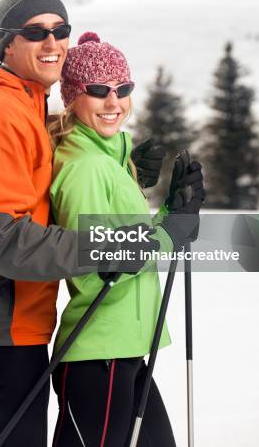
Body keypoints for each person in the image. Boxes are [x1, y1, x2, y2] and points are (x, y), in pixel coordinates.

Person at [0, 0, 165, 447]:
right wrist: (112, 246)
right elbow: (6, 241)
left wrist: (127, 167)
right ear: (7, 44)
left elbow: (54, 172)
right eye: (35, 33)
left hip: (13, 325)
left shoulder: (25, 103)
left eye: (61, 31)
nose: (53, 42)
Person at [48, 32, 205, 446]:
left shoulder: (110, 158)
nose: (114, 102)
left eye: (123, 89)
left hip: (125, 351)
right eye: (98, 91)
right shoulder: (84, 168)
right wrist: (171, 233)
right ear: (71, 96)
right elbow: (100, 261)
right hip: (97, 353)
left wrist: (176, 210)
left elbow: (129, 237)